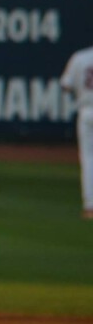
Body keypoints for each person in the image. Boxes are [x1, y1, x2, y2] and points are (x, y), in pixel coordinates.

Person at [60, 44, 93, 220]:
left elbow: (66, 85)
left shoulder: (80, 57)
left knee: (88, 158)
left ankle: (90, 206)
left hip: (87, 111)